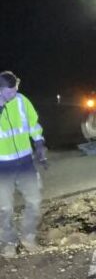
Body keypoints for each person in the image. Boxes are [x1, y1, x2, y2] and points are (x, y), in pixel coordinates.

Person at [0, 71, 47, 258]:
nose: (14, 93)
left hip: (25, 162)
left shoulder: (21, 101)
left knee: (34, 201)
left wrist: (39, 144)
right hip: (2, 166)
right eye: (10, 91)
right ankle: (9, 242)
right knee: (4, 208)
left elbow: (33, 124)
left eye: (15, 89)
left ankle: (28, 237)